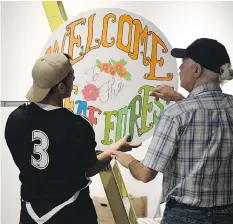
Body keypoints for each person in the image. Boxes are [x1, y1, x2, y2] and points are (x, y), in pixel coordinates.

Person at [4, 53, 141, 224]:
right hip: (72, 211)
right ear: (61, 88)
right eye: (72, 76)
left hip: (29, 213)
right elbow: (88, 169)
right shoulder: (77, 126)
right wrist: (114, 151)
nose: (74, 79)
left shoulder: (15, 119)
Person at [111, 38, 233, 224]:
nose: (180, 68)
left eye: (183, 63)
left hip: (185, 216)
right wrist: (180, 98)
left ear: (196, 70)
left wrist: (127, 160)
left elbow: (145, 174)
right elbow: (207, 114)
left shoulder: (175, 115)